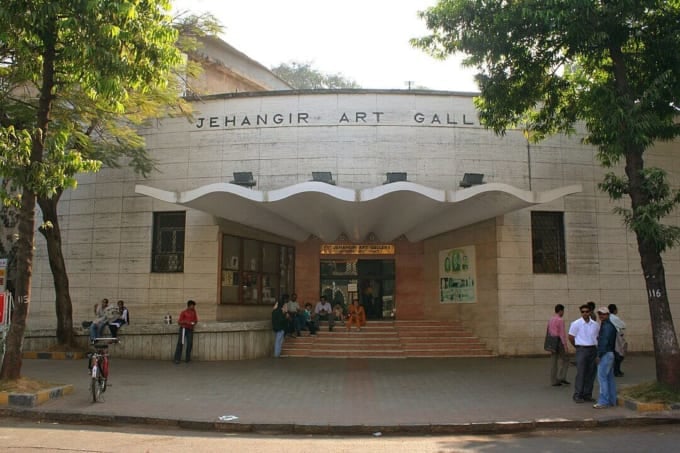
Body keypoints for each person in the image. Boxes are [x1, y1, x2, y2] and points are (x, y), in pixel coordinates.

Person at [568, 302, 600, 403]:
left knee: (591, 373)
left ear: (590, 312)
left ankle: (587, 394)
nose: (585, 313)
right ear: (581, 312)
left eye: (587, 311)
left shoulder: (595, 325)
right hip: (581, 349)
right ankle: (578, 395)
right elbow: (571, 337)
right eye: (583, 312)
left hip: (593, 349)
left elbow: (597, 337)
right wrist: (577, 347)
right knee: (581, 373)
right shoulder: (576, 324)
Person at [594, 306, 618, 408]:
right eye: (599, 314)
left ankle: (603, 401)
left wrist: (599, 355)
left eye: (603, 314)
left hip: (605, 354)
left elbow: (604, 342)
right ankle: (612, 400)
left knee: (602, 378)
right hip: (610, 353)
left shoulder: (606, 326)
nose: (601, 316)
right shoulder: (609, 325)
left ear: (608, 315)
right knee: (609, 378)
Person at [547, 304, 570, 387]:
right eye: (563, 311)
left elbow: (549, 331)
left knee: (553, 361)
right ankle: (562, 377)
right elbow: (562, 334)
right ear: (560, 311)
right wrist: (565, 345)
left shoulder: (551, 319)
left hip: (552, 341)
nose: (563, 313)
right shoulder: (560, 320)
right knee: (566, 359)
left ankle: (553, 380)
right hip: (559, 341)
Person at [608, 304, 627, 377]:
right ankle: (616, 370)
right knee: (619, 354)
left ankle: (616, 370)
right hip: (616, 337)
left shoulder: (608, 317)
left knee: (615, 354)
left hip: (611, 338)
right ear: (615, 310)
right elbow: (623, 325)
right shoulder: (614, 318)